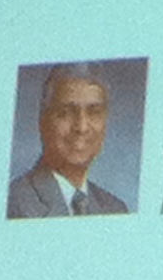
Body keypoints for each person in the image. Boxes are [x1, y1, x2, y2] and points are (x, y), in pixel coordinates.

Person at [7, 63, 128, 218]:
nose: (82, 127)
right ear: (43, 122)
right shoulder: (14, 204)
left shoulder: (115, 208)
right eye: (65, 113)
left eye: (94, 112)